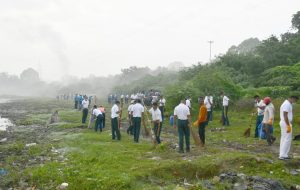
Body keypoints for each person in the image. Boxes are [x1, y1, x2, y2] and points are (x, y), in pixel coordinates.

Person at [279, 95, 299, 160]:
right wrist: (288, 125)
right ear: (291, 98)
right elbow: (285, 115)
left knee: (284, 138)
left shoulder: (288, 104)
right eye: (295, 100)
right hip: (285, 123)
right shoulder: (286, 104)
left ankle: (282, 154)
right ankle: (283, 155)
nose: (295, 101)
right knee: (287, 139)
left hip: (285, 122)